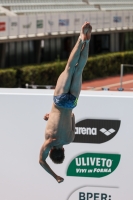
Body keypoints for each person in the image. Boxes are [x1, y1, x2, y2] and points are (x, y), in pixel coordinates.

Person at [39, 22, 92, 183]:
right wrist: (55, 176)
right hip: (59, 100)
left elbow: (73, 116)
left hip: (71, 103)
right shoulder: (49, 140)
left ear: (63, 150)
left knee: (79, 69)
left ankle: (87, 41)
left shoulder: (69, 139)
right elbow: (41, 161)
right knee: (69, 67)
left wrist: (56, 117)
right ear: (52, 150)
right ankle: (80, 39)